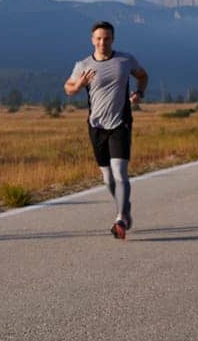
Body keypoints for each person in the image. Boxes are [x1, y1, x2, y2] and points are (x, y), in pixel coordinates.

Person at [63, 21, 148, 239]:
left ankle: (120, 218)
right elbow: (68, 89)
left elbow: (142, 75)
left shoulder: (125, 60)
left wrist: (139, 93)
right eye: (99, 38)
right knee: (107, 178)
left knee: (120, 173)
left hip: (120, 123)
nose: (103, 42)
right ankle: (125, 207)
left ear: (113, 39)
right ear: (92, 40)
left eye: (107, 38)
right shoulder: (83, 65)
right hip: (96, 126)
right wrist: (79, 84)